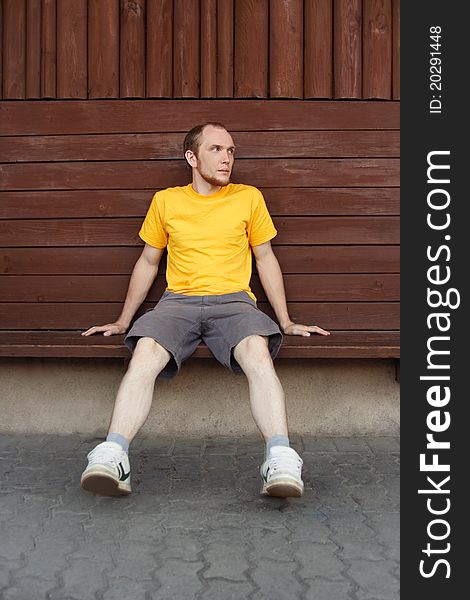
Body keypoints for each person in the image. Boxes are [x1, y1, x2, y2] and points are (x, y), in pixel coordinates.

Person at [80, 122, 330, 499]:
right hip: (177, 302)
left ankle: (279, 458)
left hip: (234, 301)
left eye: (230, 151)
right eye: (216, 150)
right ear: (192, 157)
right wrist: (122, 320)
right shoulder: (166, 201)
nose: (227, 159)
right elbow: (149, 262)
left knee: (257, 352)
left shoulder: (248, 198)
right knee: (146, 352)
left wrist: (286, 320)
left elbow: (265, 259)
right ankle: (113, 455)